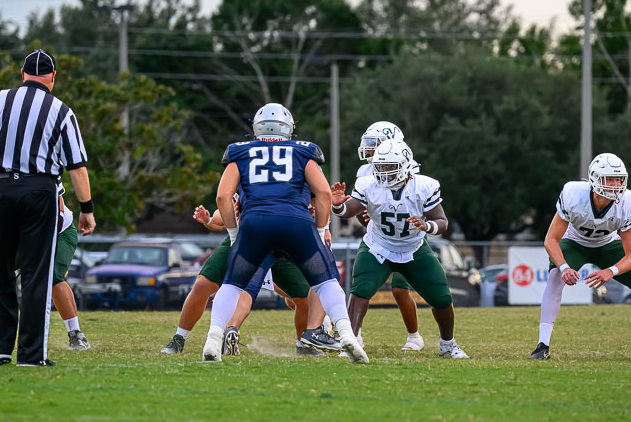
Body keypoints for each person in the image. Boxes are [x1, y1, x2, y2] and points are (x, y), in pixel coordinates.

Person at [0, 49, 95, 367]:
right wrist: (86, 208)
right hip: (39, 191)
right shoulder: (61, 110)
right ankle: (31, 355)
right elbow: (77, 167)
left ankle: (0, 348)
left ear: (22, 74)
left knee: (1, 270)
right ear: (53, 77)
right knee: (36, 275)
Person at [200, 103, 367, 363]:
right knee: (326, 281)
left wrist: (234, 233)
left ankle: (213, 338)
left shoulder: (240, 151)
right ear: (288, 127)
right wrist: (321, 229)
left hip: (255, 224)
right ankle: (346, 335)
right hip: (296, 224)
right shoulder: (303, 150)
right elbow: (323, 193)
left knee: (233, 284)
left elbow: (223, 196)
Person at [332, 139, 468, 359]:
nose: (383, 171)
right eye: (380, 166)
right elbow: (348, 211)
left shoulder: (423, 186)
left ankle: (447, 344)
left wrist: (427, 226)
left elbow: (442, 221)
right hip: (378, 246)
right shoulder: (368, 184)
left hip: (413, 248)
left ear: (405, 165)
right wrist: (338, 205)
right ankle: (352, 342)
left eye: (389, 166)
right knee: (361, 290)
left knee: (441, 297)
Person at [528, 153, 631, 360]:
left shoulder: (629, 201)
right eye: (610, 179)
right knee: (555, 277)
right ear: (595, 179)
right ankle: (542, 346)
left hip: (608, 244)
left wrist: (610, 271)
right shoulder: (573, 194)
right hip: (574, 242)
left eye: (619, 179)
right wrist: (564, 268)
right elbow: (551, 240)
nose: (616, 185)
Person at [161, 200, 337, 357]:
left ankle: (303, 344)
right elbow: (223, 208)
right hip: (243, 241)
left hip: (282, 245)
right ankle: (181, 338)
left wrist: (324, 227)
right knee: (204, 284)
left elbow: (321, 196)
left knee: (304, 297)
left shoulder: (294, 180)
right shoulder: (246, 178)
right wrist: (210, 220)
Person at [0, 181, 90, 350]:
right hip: (21, 238)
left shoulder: (41, 171)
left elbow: (59, 211)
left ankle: (75, 333)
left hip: (57, 232)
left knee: (54, 277)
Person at [356, 121, 423, 351]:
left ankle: (414, 336)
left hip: (405, 236)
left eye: (373, 144)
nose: (369, 148)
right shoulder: (364, 172)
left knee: (400, 289)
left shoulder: (409, 168)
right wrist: (363, 215)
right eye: (368, 143)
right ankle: (355, 337)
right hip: (377, 237)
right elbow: (361, 209)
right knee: (361, 288)